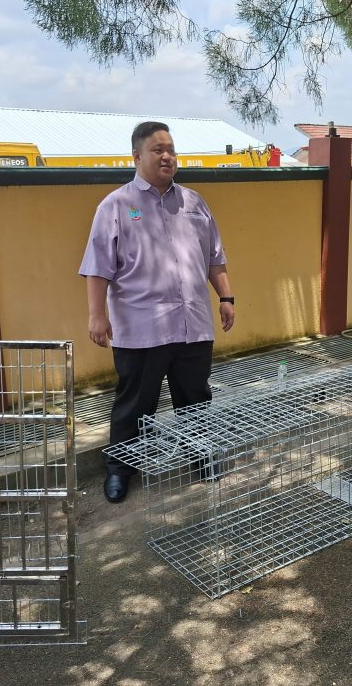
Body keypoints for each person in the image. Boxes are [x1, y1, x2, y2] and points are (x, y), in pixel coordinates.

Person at [79, 121, 235, 503]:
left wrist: (227, 298)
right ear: (136, 156)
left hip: (193, 324)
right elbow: (98, 266)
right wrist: (96, 316)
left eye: (171, 149)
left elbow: (215, 257)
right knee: (135, 403)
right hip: (140, 327)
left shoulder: (195, 203)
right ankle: (119, 469)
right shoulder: (116, 205)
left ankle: (200, 455)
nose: (167, 156)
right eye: (157, 149)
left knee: (195, 397)